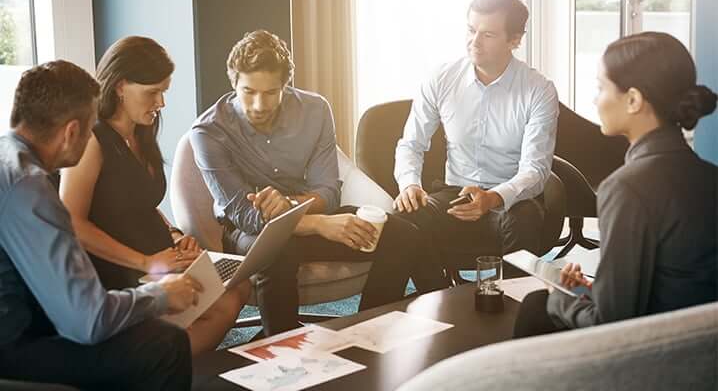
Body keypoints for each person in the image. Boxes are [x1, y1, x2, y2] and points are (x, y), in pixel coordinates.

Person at [190, 30, 449, 336]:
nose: (259, 104)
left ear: (286, 85)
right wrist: (319, 224)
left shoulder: (315, 110)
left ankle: (367, 330)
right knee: (277, 250)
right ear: (233, 83)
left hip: (305, 212)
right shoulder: (208, 132)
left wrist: (290, 206)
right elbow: (246, 216)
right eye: (248, 91)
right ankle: (282, 345)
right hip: (249, 234)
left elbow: (328, 191)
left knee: (401, 234)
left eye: (271, 92)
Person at [0, 60, 202, 390]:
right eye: (92, 125)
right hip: (15, 346)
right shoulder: (30, 189)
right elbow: (87, 322)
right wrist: (160, 295)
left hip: (23, 320)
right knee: (166, 345)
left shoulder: (7, 155)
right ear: (71, 132)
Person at [513, 32, 718, 337]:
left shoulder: (626, 189)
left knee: (537, 306)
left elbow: (610, 323)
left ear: (633, 100)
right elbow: (680, 280)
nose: (596, 100)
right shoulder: (710, 176)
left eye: (601, 87)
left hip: (655, 356)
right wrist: (593, 291)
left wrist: (560, 299)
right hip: (699, 345)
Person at [60, 37, 250, 356]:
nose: (161, 103)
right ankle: (151, 367)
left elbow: (141, 203)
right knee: (220, 302)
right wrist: (146, 261)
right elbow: (71, 222)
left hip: (157, 258)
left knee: (236, 285)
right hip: (118, 268)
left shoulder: (141, 130)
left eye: (164, 91)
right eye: (152, 92)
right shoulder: (91, 139)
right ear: (120, 86)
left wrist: (175, 235)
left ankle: (164, 361)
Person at [393, 0, 559, 270]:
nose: (474, 42)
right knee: (404, 215)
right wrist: (409, 184)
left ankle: (512, 306)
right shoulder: (442, 77)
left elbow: (535, 170)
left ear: (515, 40)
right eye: (471, 30)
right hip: (455, 194)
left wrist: (493, 198)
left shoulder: (538, 90)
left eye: (488, 35)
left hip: (509, 199)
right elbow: (411, 144)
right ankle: (435, 299)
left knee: (525, 218)